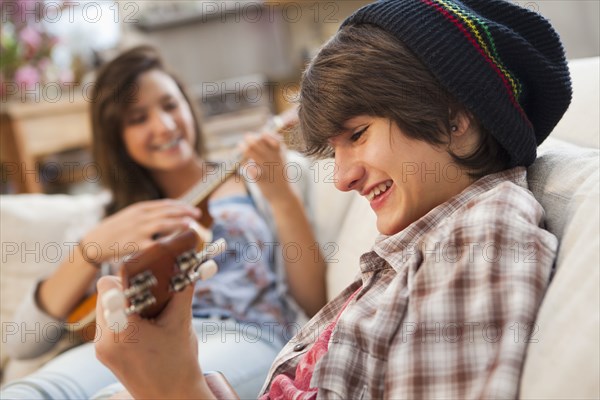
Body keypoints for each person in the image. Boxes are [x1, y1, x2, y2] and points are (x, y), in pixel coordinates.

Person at [94, 0, 573, 398]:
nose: (341, 179)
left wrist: (178, 389)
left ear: (455, 117)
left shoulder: (483, 231)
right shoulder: (419, 247)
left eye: (358, 134)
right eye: (335, 151)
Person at [0, 45, 326, 399]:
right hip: (126, 346)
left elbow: (315, 303)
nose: (165, 125)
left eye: (170, 105)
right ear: (116, 137)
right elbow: (21, 344)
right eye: (138, 118)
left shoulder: (262, 178)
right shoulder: (101, 218)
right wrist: (91, 249)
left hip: (240, 335)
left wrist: (281, 196)